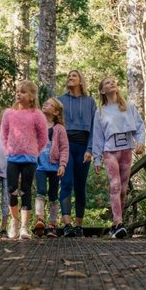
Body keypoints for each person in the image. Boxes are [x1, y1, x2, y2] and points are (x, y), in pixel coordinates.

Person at [92, 77, 146, 239]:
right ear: (102, 91)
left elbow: (139, 126)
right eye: (107, 83)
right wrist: (97, 158)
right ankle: (119, 222)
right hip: (110, 151)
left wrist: (140, 142)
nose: (112, 83)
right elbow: (97, 137)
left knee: (123, 189)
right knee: (114, 186)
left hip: (126, 150)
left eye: (113, 81)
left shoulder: (128, 107)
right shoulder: (100, 111)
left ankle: (116, 226)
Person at [1, 80, 48, 240]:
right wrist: (8, 151)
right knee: (12, 189)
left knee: (26, 190)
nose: (18, 94)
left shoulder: (37, 114)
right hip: (13, 158)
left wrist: (34, 151)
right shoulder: (9, 113)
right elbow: (4, 134)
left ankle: (24, 227)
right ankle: (14, 221)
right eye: (17, 91)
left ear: (31, 96)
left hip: (29, 159)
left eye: (23, 91)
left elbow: (43, 137)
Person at [58, 70, 97, 238]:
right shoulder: (60, 101)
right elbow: (55, 125)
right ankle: (67, 225)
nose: (70, 78)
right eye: (69, 76)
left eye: (73, 76)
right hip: (65, 146)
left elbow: (95, 128)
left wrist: (90, 150)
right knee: (66, 183)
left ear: (81, 81)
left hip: (83, 147)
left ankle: (79, 226)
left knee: (80, 187)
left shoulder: (90, 102)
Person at [33, 97, 69, 238]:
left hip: (54, 167)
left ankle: (52, 225)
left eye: (49, 104)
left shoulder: (59, 129)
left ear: (56, 112)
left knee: (53, 195)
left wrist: (62, 164)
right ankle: (40, 220)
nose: (45, 104)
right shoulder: (37, 126)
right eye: (45, 102)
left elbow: (64, 148)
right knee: (40, 192)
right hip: (40, 166)